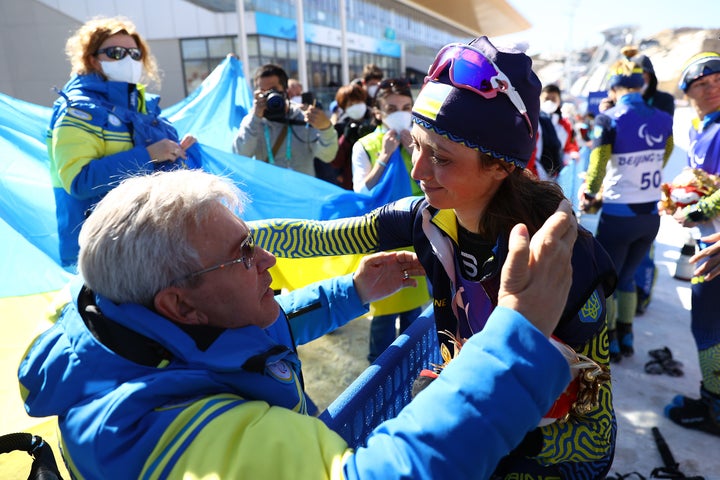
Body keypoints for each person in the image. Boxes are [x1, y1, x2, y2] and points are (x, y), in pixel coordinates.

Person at [19, 168, 580, 479]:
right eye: (243, 255)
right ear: (180, 305)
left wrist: (353, 291)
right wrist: (516, 339)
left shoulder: (121, 320)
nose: (267, 262)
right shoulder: (170, 436)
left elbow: (239, 338)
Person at [250, 36, 618, 478]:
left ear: (501, 165)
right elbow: (316, 239)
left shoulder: (562, 256)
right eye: (416, 145)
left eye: (440, 158)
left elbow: (596, 437)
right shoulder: (426, 219)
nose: (418, 170)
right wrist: (216, 242)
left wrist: (487, 431)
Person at [48, 15, 197, 268]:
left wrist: (181, 153)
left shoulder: (144, 106)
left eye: (134, 54)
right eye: (116, 52)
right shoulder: (78, 111)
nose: (128, 60)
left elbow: (155, 170)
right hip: (102, 254)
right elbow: (79, 181)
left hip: (151, 246)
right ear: (92, 59)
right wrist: (149, 154)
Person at [580, 59, 673, 363]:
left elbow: (597, 166)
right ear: (642, 84)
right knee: (628, 277)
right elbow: (665, 154)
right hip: (650, 215)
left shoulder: (608, 118)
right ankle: (628, 334)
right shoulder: (663, 117)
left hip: (619, 214)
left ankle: (612, 340)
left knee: (608, 281)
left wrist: (590, 193)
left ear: (613, 87)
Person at [663, 52, 720, 437]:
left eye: (717, 79)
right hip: (707, 240)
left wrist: (698, 209)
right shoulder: (702, 127)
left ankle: (714, 407)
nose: (712, 86)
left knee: (710, 326)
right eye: (701, 83)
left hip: (713, 247)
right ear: (688, 94)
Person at [349, 78, 427, 362]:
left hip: (418, 235)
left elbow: (436, 185)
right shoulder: (365, 145)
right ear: (378, 112)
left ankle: (412, 367)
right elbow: (362, 193)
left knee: (413, 312)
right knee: (383, 313)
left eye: (406, 107)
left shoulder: (421, 139)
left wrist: (415, 152)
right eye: (392, 108)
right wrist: (384, 158)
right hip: (379, 236)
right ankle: (377, 374)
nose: (401, 113)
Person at [233, 64, 338, 177]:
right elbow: (240, 155)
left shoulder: (302, 117)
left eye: (273, 90)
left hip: (301, 192)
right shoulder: (252, 121)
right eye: (264, 91)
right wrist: (256, 117)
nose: (269, 95)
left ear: (286, 91)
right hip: (268, 192)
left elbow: (327, 156)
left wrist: (326, 128)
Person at [329, 83, 376, 189]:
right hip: (351, 182)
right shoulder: (340, 126)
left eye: (358, 102)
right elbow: (335, 161)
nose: (355, 106)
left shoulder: (376, 121)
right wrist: (345, 138)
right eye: (350, 104)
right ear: (344, 107)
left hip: (377, 177)